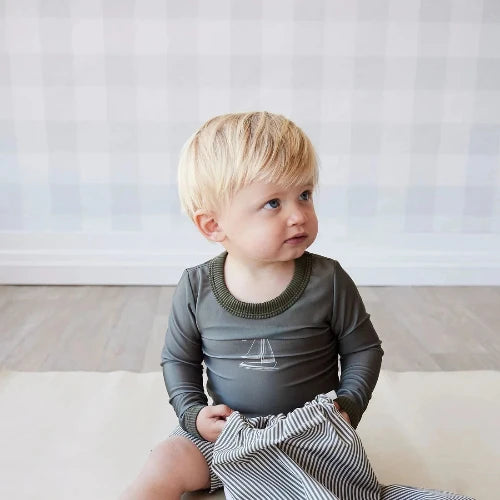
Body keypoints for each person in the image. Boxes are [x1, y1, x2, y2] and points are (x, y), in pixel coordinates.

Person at [120, 111, 384, 499]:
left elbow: (363, 349)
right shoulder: (197, 287)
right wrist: (193, 414)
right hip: (228, 432)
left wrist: (349, 405)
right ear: (213, 226)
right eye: (274, 203)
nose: (298, 215)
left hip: (310, 432)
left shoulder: (327, 280)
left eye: (305, 195)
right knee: (166, 460)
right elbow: (178, 361)